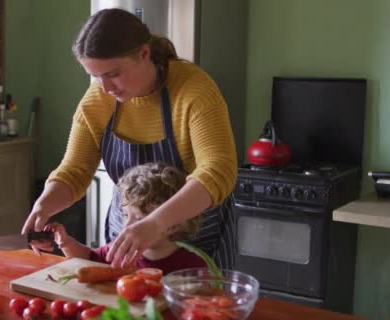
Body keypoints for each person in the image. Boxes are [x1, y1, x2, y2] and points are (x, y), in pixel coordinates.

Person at [22, 8, 237, 269]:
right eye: (95, 76)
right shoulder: (97, 101)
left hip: (194, 234)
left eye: (112, 74)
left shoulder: (194, 90)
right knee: (123, 304)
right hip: (126, 227)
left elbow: (219, 170)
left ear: (144, 53)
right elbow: (74, 171)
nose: (105, 88)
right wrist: (44, 206)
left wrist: (156, 223)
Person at [44, 162, 207, 275]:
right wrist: (65, 242)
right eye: (125, 215)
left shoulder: (192, 266)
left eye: (138, 219)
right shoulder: (119, 250)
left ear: (171, 224)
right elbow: (88, 259)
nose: (127, 226)